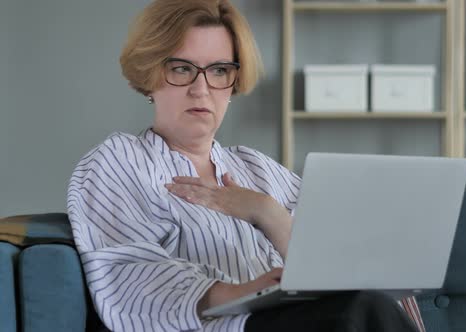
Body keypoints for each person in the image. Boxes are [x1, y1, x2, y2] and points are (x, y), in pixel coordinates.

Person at [67, 1, 426, 331]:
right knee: (359, 311)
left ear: (233, 81)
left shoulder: (258, 169)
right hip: (225, 328)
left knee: (366, 303)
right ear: (150, 75)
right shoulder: (119, 161)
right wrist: (238, 292)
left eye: (219, 70)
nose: (201, 88)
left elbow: (345, 270)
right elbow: (126, 277)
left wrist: (267, 212)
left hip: (301, 320)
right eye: (181, 69)